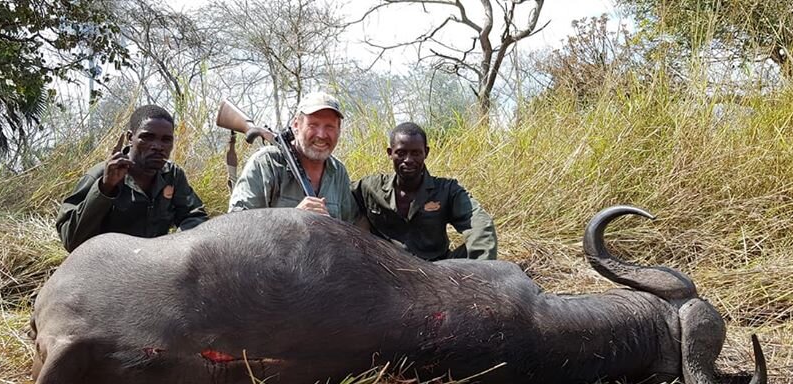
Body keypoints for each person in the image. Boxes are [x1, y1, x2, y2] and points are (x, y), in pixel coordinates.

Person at [56, 104, 208, 252]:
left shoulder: (172, 175)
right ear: (130, 137)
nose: (158, 146)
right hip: (107, 266)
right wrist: (105, 189)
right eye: (147, 137)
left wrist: (175, 246)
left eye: (166, 140)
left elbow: (195, 217)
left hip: (155, 263)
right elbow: (71, 241)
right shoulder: (102, 175)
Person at [353, 122, 497, 261]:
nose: (408, 160)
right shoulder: (370, 187)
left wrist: (482, 268)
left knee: (481, 240)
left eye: (416, 153)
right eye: (401, 153)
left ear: (426, 153)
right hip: (387, 268)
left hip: (437, 269)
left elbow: (480, 223)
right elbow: (339, 195)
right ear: (390, 153)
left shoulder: (447, 190)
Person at [228, 92, 356, 222]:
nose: (321, 135)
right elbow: (237, 224)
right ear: (296, 125)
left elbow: (349, 228)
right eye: (313, 125)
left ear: (339, 131)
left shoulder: (338, 172)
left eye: (329, 127)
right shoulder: (266, 163)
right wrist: (292, 219)